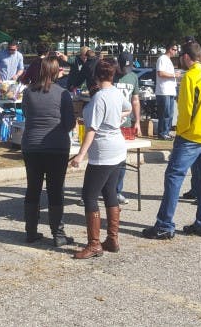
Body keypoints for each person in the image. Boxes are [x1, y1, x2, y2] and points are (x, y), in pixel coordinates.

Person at [143, 41, 201, 240]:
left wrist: (181, 132)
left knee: (174, 176)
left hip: (191, 137)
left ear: (186, 57)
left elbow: (186, 110)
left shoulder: (191, 77)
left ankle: (164, 224)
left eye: (181, 57)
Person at [70, 59, 130, 259]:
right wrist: (116, 119)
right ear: (112, 75)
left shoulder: (99, 98)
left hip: (103, 153)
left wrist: (80, 155)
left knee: (89, 196)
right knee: (110, 192)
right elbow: (128, 108)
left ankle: (94, 244)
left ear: (95, 76)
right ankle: (112, 239)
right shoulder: (116, 92)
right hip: (117, 149)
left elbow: (92, 130)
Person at [20, 57, 77, 247]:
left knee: (33, 187)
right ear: (54, 72)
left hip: (32, 145)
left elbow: (26, 114)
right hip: (56, 146)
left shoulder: (28, 92)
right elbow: (70, 123)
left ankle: (30, 231)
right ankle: (58, 234)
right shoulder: (62, 93)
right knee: (55, 190)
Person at [113, 51, 142, 205]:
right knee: (103, 160)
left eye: (128, 68)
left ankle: (117, 191)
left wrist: (137, 121)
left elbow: (135, 100)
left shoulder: (133, 77)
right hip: (110, 124)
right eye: (123, 68)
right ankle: (96, 191)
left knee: (121, 160)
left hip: (125, 124)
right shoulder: (110, 75)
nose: (125, 71)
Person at [154, 43, 178, 140]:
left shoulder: (169, 60)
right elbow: (160, 73)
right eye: (174, 49)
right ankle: (162, 133)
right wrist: (174, 75)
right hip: (163, 91)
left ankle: (167, 132)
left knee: (170, 113)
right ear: (169, 49)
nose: (176, 51)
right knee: (165, 113)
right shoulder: (162, 59)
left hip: (170, 90)